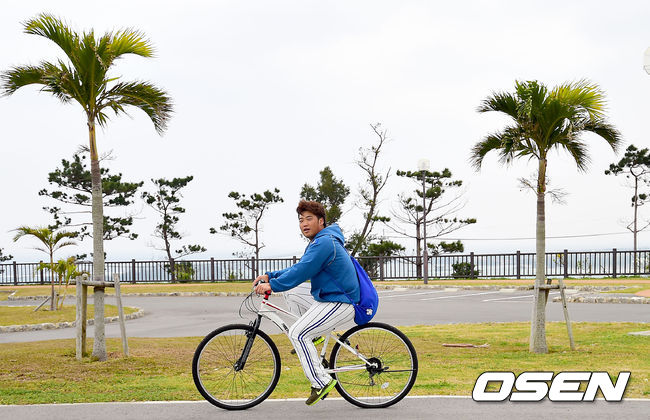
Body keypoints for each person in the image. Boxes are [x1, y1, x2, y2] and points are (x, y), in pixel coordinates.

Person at [253, 200, 360, 406]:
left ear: (321, 221)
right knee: (291, 291)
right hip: (330, 297)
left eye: (309, 219)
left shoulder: (325, 243)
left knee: (297, 333)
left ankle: (321, 382)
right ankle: (315, 335)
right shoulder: (319, 242)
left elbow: (302, 271)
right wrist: (270, 276)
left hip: (342, 301)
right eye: (301, 220)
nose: (304, 224)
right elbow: (300, 267)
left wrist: (272, 286)